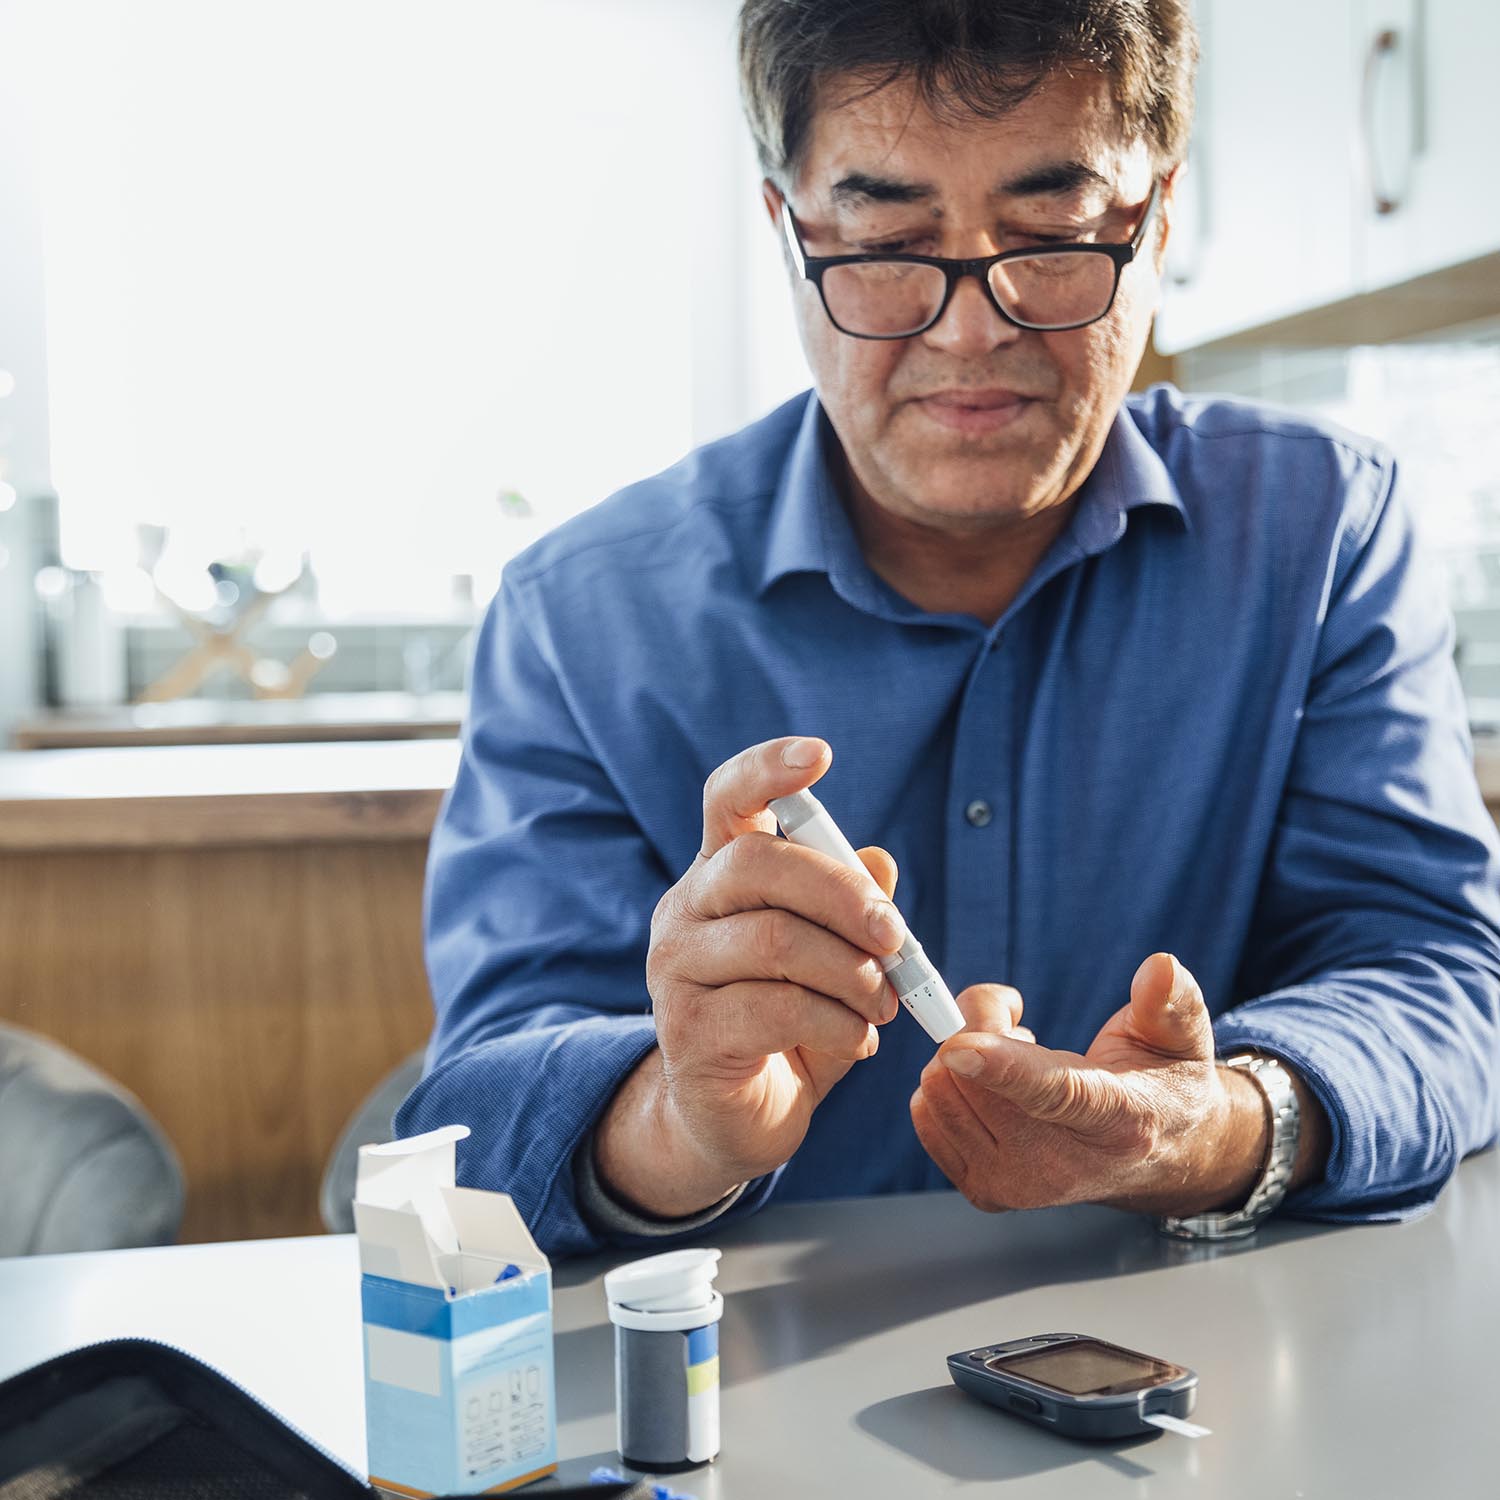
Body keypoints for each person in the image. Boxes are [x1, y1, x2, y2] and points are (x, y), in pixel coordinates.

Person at [397, 0, 1500, 1255]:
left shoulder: (1324, 533)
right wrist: (680, 1121)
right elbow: (475, 1118)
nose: (974, 331)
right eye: (882, 242)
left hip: (1218, 1363)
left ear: (1161, 217)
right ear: (787, 231)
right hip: (726, 1387)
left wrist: (1217, 1124)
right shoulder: (580, 614)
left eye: (1053, 235)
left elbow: (1438, 976)